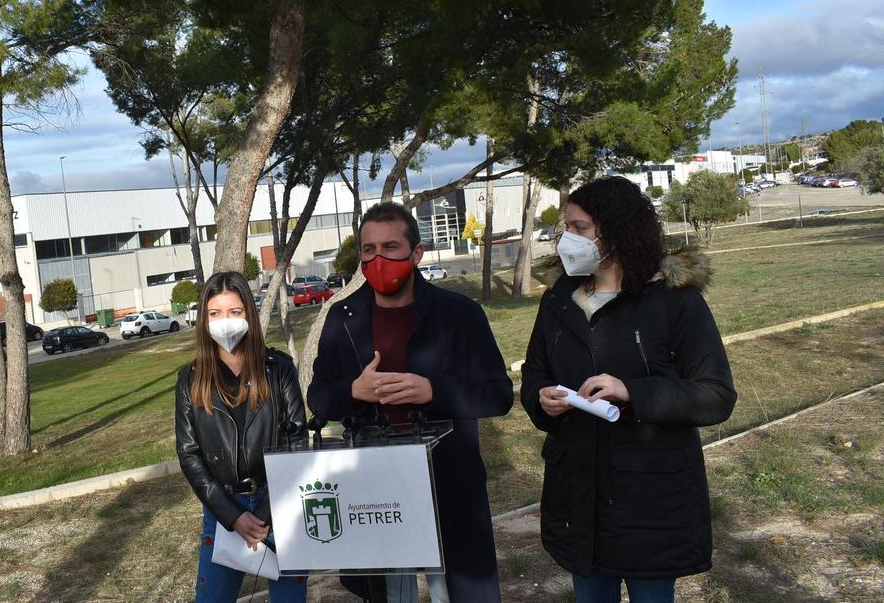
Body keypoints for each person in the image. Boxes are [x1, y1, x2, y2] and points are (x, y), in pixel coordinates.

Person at [520, 176, 737, 603]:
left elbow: (715, 394)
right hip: (576, 495)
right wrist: (542, 398)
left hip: (650, 501)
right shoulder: (558, 298)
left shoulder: (674, 301)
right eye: (566, 228)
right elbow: (535, 375)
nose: (567, 239)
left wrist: (632, 392)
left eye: (579, 228)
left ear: (615, 232)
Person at [307, 201, 514, 603]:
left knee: (459, 588)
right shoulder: (342, 317)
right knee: (385, 591)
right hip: (373, 484)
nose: (378, 258)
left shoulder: (460, 314)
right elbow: (319, 396)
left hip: (449, 478)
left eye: (391, 247)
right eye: (368, 250)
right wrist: (353, 391)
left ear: (417, 253)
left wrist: (434, 391)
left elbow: (498, 394)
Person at [175, 271, 309, 602]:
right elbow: (189, 454)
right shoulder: (191, 380)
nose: (225, 322)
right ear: (203, 320)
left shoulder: (278, 369)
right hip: (223, 508)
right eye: (215, 314)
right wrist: (233, 516)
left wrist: (263, 514)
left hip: (279, 504)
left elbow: (297, 443)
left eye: (234, 312)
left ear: (248, 312)